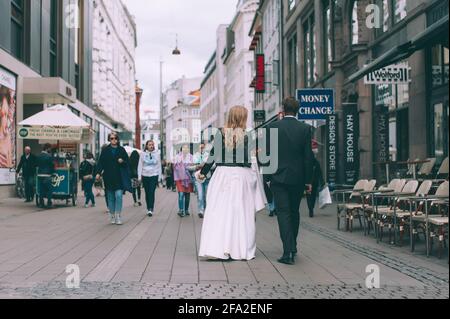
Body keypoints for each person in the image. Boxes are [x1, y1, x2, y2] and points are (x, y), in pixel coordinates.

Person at [198, 106, 267, 261]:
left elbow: (212, 156)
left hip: (222, 175)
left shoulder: (220, 133)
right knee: (242, 213)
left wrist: (203, 173)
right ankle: (240, 250)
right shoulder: (249, 135)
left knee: (219, 212)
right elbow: (251, 159)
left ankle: (217, 248)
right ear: (243, 118)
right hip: (242, 176)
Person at [264, 97, 314, 265]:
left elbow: (267, 155)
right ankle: (293, 246)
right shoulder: (305, 129)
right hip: (298, 178)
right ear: (298, 110)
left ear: (283, 109)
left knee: (283, 213)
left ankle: (288, 251)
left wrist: (267, 178)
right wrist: (308, 181)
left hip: (278, 178)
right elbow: (308, 157)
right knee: (294, 212)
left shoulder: (272, 127)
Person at [95, 132, 131, 225]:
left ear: (117, 139)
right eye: (111, 138)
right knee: (110, 197)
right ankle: (112, 215)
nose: (113, 140)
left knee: (119, 195)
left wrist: (122, 161)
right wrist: (98, 173)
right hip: (108, 177)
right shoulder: (105, 150)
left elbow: (127, 163)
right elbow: (100, 163)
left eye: (115, 138)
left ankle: (118, 215)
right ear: (109, 139)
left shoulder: (121, 150)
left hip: (119, 177)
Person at [137, 140, 162, 217]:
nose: (151, 146)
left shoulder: (157, 154)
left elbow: (159, 166)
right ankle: (148, 208)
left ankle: (151, 208)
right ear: (146, 146)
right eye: (149, 145)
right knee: (147, 192)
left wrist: (159, 178)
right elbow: (140, 165)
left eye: (152, 145)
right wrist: (139, 176)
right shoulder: (142, 154)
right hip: (145, 175)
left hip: (154, 175)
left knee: (151, 192)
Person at [173, 145, 194, 217]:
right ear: (181, 148)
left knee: (187, 195)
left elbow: (193, 166)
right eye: (184, 147)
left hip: (188, 178)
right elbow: (174, 167)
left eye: (187, 147)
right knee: (181, 194)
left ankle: (186, 209)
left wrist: (188, 168)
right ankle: (181, 210)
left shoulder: (191, 157)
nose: (185, 149)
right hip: (179, 178)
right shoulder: (177, 157)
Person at [306, 140, 325, 218]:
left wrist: (322, 181)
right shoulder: (312, 162)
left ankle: (311, 208)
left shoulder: (314, 162)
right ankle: (311, 208)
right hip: (311, 181)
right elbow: (319, 172)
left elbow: (319, 172)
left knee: (310, 195)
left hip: (310, 181)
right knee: (311, 195)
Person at [193, 143, 211, 219]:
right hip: (198, 178)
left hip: (207, 177)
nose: (202, 149)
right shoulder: (195, 156)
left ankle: (206, 210)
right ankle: (201, 210)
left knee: (206, 196)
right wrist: (197, 166)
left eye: (203, 148)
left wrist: (205, 165)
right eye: (200, 148)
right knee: (200, 195)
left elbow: (213, 165)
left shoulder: (208, 155)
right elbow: (191, 166)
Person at [37, 143, 55, 209]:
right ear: (47, 148)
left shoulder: (38, 156)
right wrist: (53, 172)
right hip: (47, 175)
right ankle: (49, 203)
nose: (50, 149)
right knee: (49, 189)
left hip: (40, 175)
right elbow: (52, 165)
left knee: (41, 190)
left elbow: (37, 165)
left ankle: (41, 203)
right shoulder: (49, 156)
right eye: (50, 148)